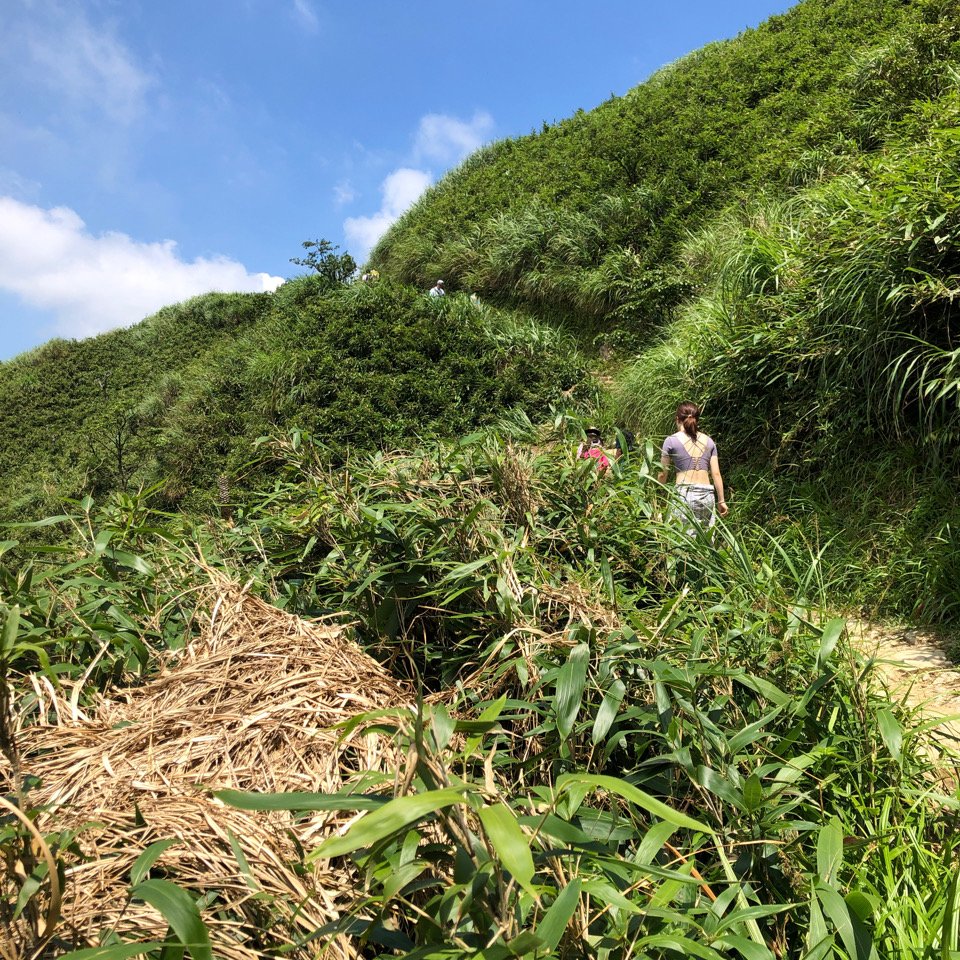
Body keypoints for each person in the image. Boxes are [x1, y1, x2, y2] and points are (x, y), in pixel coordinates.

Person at [658, 402, 727, 531]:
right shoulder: (709, 441)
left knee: (684, 540)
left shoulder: (671, 441)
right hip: (707, 495)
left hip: (684, 494)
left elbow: (663, 474)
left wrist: (657, 498)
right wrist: (721, 501)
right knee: (706, 540)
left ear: (677, 419)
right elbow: (716, 474)